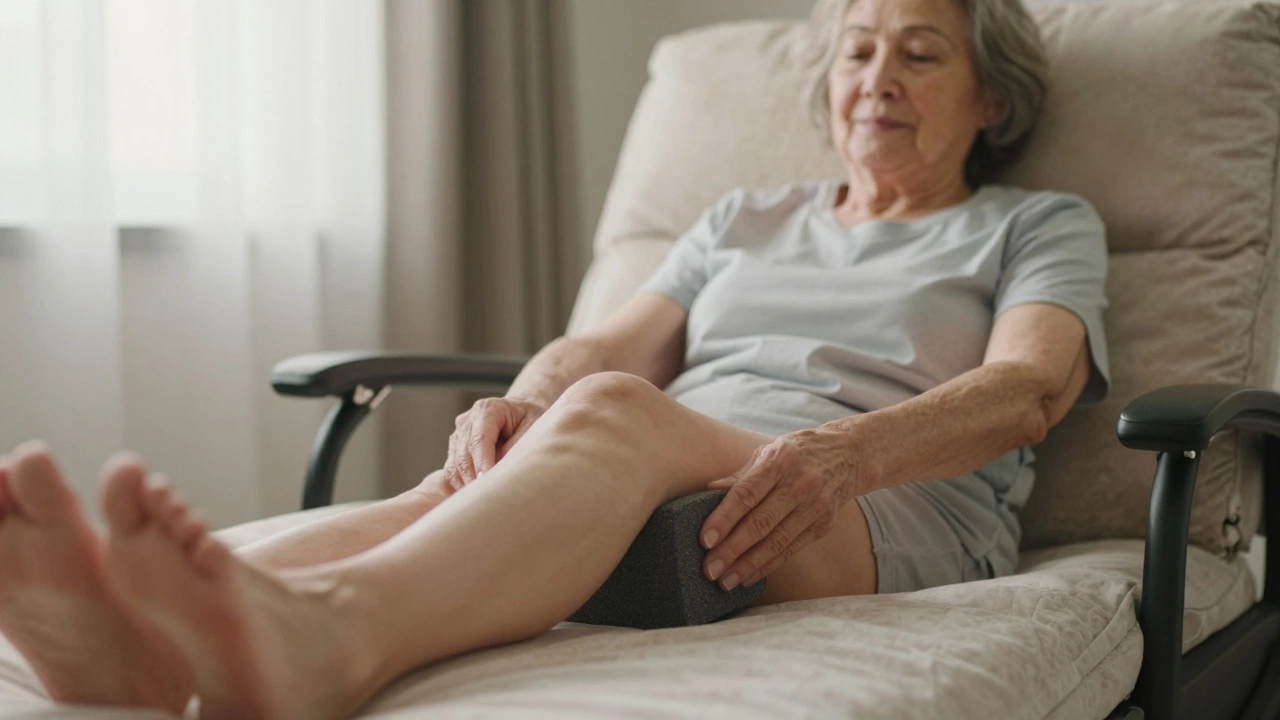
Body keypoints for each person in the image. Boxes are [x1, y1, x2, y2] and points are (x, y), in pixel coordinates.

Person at [0, 0, 1110, 717]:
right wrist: (524, 400)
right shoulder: (745, 218)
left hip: (879, 499)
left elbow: (1026, 392)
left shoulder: (1029, 222)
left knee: (617, 412)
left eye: (919, 54)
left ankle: (338, 638)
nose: (876, 77)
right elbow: (598, 345)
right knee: (492, 462)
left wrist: (838, 456)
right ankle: (133, 641)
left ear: (991, 101)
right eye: (856, 52)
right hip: (680, 463)